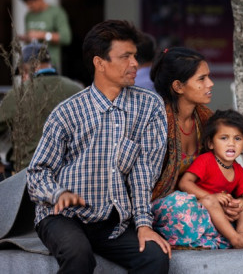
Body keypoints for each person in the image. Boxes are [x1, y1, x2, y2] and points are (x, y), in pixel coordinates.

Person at [26, 19, 171, 273]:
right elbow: (37, 172)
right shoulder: (68, 112)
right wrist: (58, 194)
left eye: (135, 56)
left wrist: (144, 225)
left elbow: (143, 173)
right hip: (63, 216)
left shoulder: (150, 106)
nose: (135, 64)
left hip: (111, 220)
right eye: (125, 57)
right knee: (78, 255)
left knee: (154, 256)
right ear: (99, 63)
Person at [149, 47, 243, 248]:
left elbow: (222, 172)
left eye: (209, 77)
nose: (210, 84)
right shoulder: (157, 123)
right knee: (180, 205)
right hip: (172, 207)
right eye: (202, 79)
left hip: (212, 205)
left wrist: (230, 203)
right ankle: (235, 237)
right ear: (178, 86)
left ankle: (223, 238)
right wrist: (209, 198)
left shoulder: (206, 119)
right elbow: (149, 187)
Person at [178, 109, 243, 248]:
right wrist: (211, 196)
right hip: (201, 210)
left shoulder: (238, 170)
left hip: (224, 215)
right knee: (210, 201)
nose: (231, 144)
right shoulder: (206, 160)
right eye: (224, 138)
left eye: (237, 138)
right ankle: (234, 238)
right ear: (211, 143)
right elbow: (184, 183)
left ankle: (240, 235)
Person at [0, 43, 83, 174]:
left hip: (27, 176)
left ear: (25, 70)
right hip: (72, 175)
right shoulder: (77, 90)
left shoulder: (17, 95)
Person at [18, 0, 72, 72]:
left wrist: (42, 35)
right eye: (27, 4)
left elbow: (66, 38)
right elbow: (30, 39)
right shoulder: (29, 15)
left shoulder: (56, 12)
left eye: (31, 3)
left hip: (50, 63)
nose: (29, 7)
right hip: (31, 63)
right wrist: (26, 37)